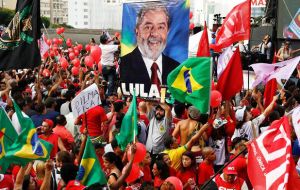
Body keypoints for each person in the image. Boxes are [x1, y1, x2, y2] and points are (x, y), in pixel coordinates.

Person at [120, 4, 180, 95]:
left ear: (167, 31)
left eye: (160, 27)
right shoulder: (124, 64)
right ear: (137, 31)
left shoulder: (176, 68)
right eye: (148, 27)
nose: (155, 34)